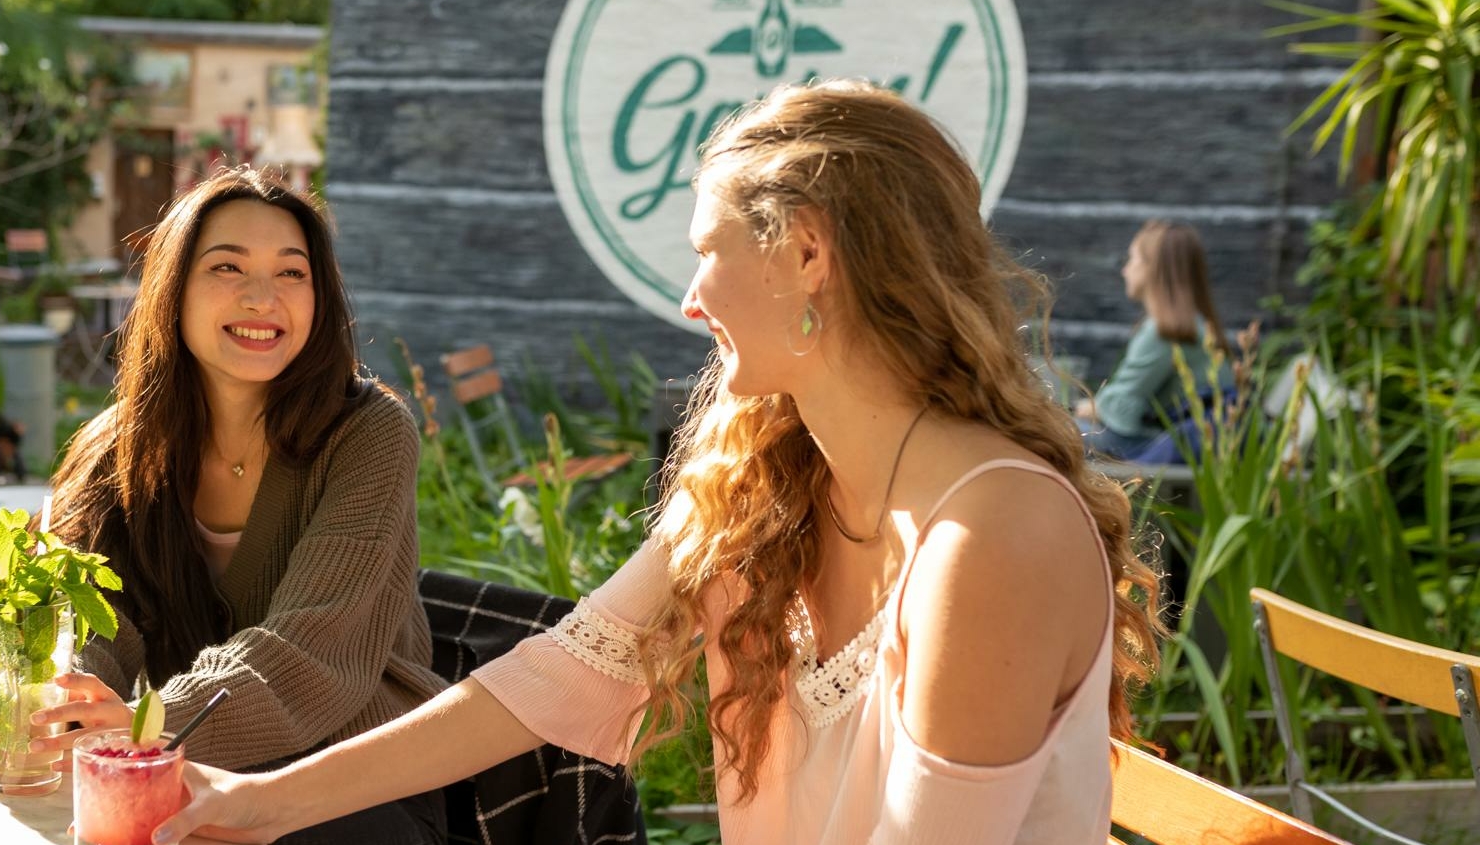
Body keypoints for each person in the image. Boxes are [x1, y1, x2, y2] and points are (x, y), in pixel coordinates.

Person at [151, 80, 1165, 845]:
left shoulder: (990, 534)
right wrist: (256, 802)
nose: (690, 297)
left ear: (807, 253)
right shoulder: (775, 476)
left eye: (709, 251)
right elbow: (555, 676)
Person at [0, 167, 450, 843]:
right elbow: (91, 628)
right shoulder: (113, 452)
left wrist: (141, 722)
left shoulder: (367, 433)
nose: (261, 298)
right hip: (173, 773)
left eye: (291, 273)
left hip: (349, 782)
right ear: (173, 290)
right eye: (227, 267)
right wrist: (52, 707)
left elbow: (309, 653)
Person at [1074, 220, 1233, 461]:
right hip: (1184, 444)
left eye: (1132, 259)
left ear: (1153, 268)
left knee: (1052, 433)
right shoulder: (1192, 324)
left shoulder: (1165, 331)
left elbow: (1119, 414)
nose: (1125, 270)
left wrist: (1092, 408)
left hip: (1163, 450)